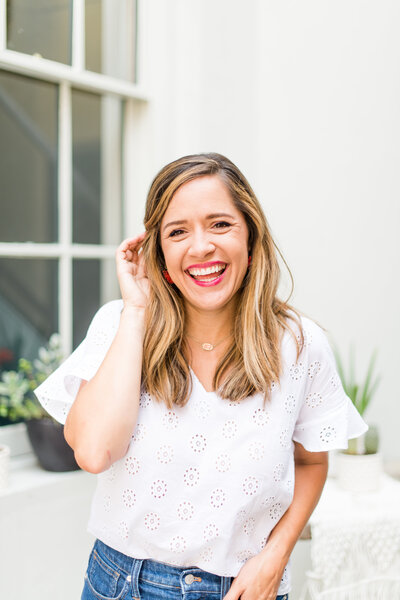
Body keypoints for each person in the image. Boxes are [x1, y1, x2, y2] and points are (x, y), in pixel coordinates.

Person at [34, 152, 368, 600]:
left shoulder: (300, 344)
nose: (201, 246)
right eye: (177, 232)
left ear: (250, 238)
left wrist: (276, 556)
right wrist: (136, 310)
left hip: (246, 590)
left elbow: (311, 462)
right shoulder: (119, 326)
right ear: (161, 256)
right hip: (122, 586)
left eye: (220, 224)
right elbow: (94, 452)